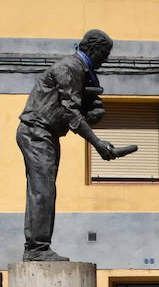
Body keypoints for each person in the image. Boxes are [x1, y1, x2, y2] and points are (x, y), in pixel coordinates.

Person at [19, 29, 129, 261]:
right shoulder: (69, 68)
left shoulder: (83, 72)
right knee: (43, 190)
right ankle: (37, 249)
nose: (106, 59)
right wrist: (97, 143)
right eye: (105, 53)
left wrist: (93, 111)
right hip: (36, 132)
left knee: (44, 189)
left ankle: (37, 247)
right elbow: (71, 112)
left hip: (46, 134)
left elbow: (75, 110)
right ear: (93, 47)